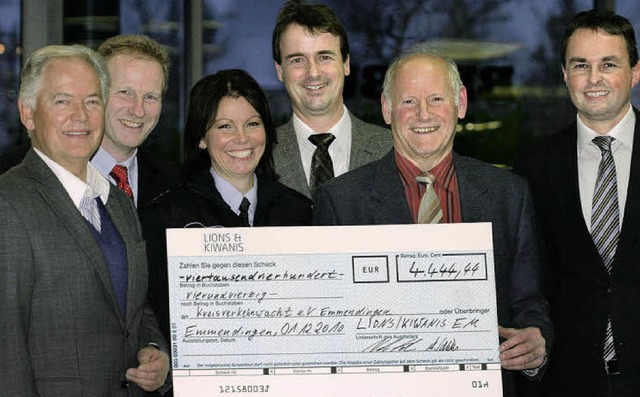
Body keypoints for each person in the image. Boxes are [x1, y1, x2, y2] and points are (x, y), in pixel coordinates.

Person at [313, 46, 552, 397]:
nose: (423, 114)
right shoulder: (340, 201)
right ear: (387, 108)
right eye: (408, 101)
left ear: (461, 103)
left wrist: (535, 340)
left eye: (437, 98)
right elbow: (328, 325)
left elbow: (528, 301)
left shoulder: (508, 193)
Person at [0, 45, 169, 396]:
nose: (81, 115)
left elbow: (132, 304)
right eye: (62, 101)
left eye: (92, 101)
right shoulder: (8, 203)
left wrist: (153, 348)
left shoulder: (117, 201)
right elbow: (6, 347)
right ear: (28, 114)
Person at [513, 10, 640, 396]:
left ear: (635, 73)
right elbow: (528, 277)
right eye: (581, 65)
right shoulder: (532, 167)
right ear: (565, 75)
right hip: (566, 379)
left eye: (609, 64)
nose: (594, 78)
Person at [140, 69, 312, 342]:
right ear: (202, 137)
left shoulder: (300, 213)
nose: (242, 138)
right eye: (225, 126)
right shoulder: (166, 218)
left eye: (253, 124)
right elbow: (154, 314)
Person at [271, 0, 392, 198]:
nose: (313, 72)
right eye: (297, 60)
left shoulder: (391, 151)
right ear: (280, 71)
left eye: (324, 57)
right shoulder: (258, 156)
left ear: (346, 63)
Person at [92, 34, 178, 209]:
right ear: (96, 93)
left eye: (150, 96)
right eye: (125, 92)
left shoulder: (177, 187)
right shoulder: (54, 176)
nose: (138, 110)